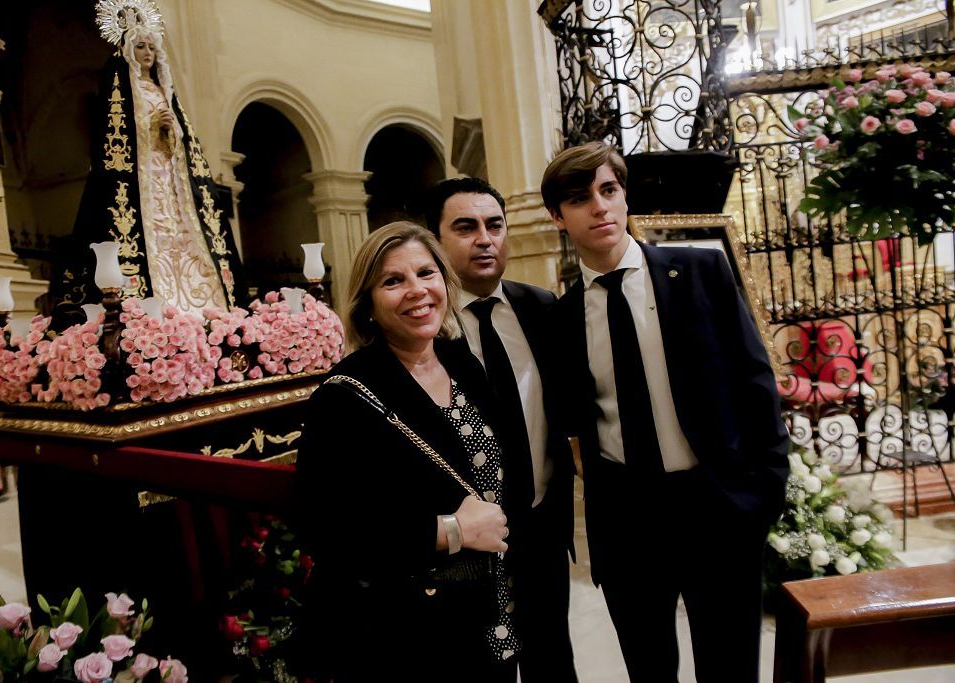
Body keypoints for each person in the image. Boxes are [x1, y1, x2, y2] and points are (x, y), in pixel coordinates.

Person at [543, 141, 789, 682]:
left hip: (717, 505)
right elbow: (571, 423)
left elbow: (755, 382)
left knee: (730, 668)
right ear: (559, 217)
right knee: (650, 671)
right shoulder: (559, 321)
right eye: (581, 198)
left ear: (625, 197)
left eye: (609, 191)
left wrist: (765, 490)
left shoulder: (701, 272)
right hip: (630, 520)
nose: (600, 207)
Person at [296, 222, 521, 682]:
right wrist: (451, 531)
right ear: (369, 305)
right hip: (409, 632)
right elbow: (325, 530)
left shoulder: (463, 364)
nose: (417, 291)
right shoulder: (344, 397)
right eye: (393, 281)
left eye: (426, 273)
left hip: (490, 610)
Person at [425, 177, 577, 682]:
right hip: (467, 542)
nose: (484, 239)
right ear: (436, 241)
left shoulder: (542, 309)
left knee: (553, 658)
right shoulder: (427, 332)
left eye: (494, 225)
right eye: (465, 228)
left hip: (542, 529)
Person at [49, 1, 244, 326]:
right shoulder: (123, 88)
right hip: (139, 184)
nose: (148, 52)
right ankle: (151, 313)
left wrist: (172, 130)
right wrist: (150, 126)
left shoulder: (162, 87)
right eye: (141, 46)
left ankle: (204, 307)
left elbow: (183, 143)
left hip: (170, 179)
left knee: (185, 235)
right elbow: (115, 134)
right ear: (127, 49)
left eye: (152, 47)